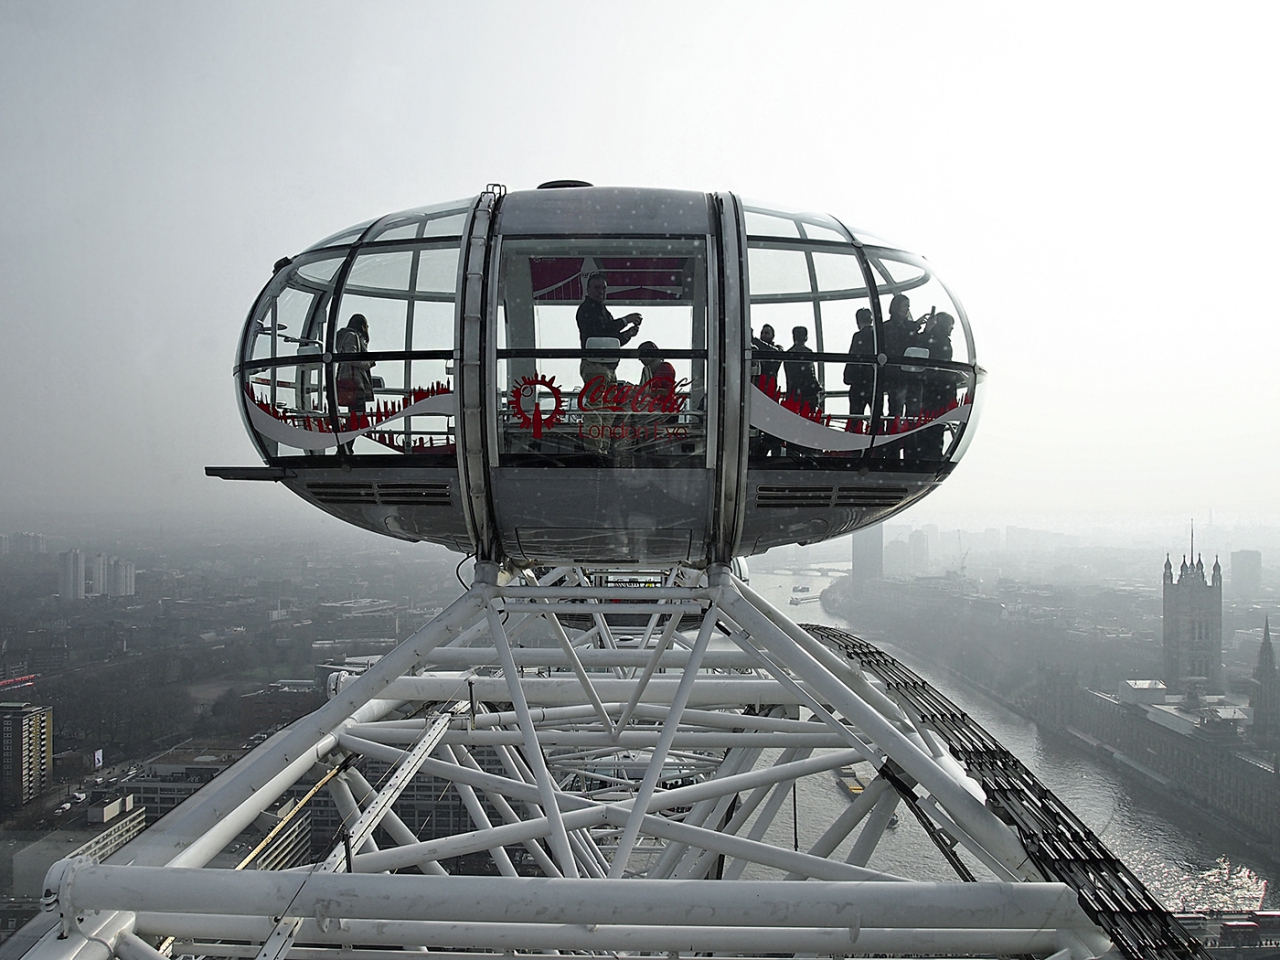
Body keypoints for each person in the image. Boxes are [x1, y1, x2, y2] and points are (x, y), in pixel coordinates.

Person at [576, 273, 641, 459]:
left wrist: (627, 334)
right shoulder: (587, 309)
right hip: (597, 364)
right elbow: (603, 332)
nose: (601, 291)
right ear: (588, 290)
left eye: (603, 288)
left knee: (606, 408)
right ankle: (594, 449)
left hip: (605, 366)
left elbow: (610, 338)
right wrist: (625, 322)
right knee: (598, 407)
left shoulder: (598, 310)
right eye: (597, 288)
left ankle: (600, 448)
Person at [335, 313, 374, 414]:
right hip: (355, 380)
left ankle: (353, 428)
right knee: (358, 413)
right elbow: (351, 357)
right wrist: (367, 363)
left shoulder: (344, 336)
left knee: (354, 413)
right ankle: (357, 429)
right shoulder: (352, 336)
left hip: (347, 377)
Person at [842, 308, 876, 418]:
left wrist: (848, 378)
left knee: (855, 417)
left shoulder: (858, 336)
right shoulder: (877, 335)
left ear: (858, 321)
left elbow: (853, 358)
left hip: (859, 383)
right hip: (874, 383)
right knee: (877, 416)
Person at [784, 326, 821, 412]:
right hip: (806, 396)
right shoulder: (807, 352)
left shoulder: (788, 354)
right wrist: (816, 386)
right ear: (805, 338)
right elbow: (808, 374)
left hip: (792, 395)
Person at [751, 324, 782, 390]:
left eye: (766, 333)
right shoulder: (756, 349)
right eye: (762, 333)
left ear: (773, 336)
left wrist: (753, 339)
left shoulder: (778, 348)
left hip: (769, 386)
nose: (763, 335)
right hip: (757, 386)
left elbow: (773, 352)